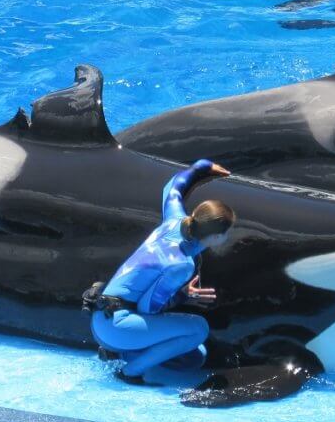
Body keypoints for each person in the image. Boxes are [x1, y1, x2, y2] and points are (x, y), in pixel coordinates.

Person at [88, 159, 235, 385]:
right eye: (227, 232)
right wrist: (184, 294)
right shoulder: (180, 265)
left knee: (195, 357)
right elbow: (149, 308)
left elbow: (173, 187)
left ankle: (117, 353)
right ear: (216, 237)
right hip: (117, 326)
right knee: (198, 329)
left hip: (104, 317)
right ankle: (131, 372)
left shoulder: (174, 220)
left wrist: (201, 167)